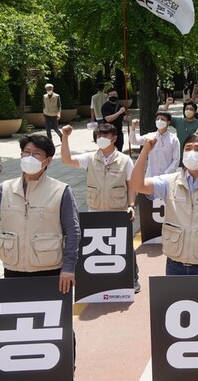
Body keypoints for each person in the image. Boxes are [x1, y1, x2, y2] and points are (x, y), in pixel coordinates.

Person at [0, 134, 79, 293]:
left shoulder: (61, 191)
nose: (30, 157)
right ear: (21, 155)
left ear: (48, 161)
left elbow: (73, 231)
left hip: (49, 269)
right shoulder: (6, 189)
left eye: (37, 153)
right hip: (13, 267)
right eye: (26, 152)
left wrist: (69, 268)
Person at [129, 133, 198, 285]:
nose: (191, 153)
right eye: (188, 148)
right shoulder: (169, 182)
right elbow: (137, 185)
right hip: (175, 265)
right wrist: (145, 152)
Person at [60, 123, 141, 292]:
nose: (102, 139)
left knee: (124, 245)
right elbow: (67, 160)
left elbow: (132, 185)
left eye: (105, 136)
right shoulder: (90, 158)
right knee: (95, 245)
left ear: (114, 139)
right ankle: (98, 279)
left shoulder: (125, 160)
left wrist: (131, 205)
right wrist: (65, 138)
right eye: (99, 136)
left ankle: (132, 278)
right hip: (95, 210)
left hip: (118, 210)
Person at [130, 112, 181, 177]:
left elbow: (176, 160)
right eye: (158, 119)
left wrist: (166, 174)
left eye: (162, 119)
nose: (159, 121)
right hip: (151, 176)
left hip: (167, 177)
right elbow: (134, 141)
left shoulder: (173, 139)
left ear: (168, 122)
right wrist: (133, 128)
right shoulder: (150, 136)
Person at [101, 88, 128, 152]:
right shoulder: (105, 106)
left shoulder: (120, 106)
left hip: (118, 133)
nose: (113, 96)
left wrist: (126, 118)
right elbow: (108, 119)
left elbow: (123, 118)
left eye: (115, 95)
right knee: (109, 151)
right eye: (111, 95)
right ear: (108, 96)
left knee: (119, 151)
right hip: (108, 133)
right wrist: (119, 112)